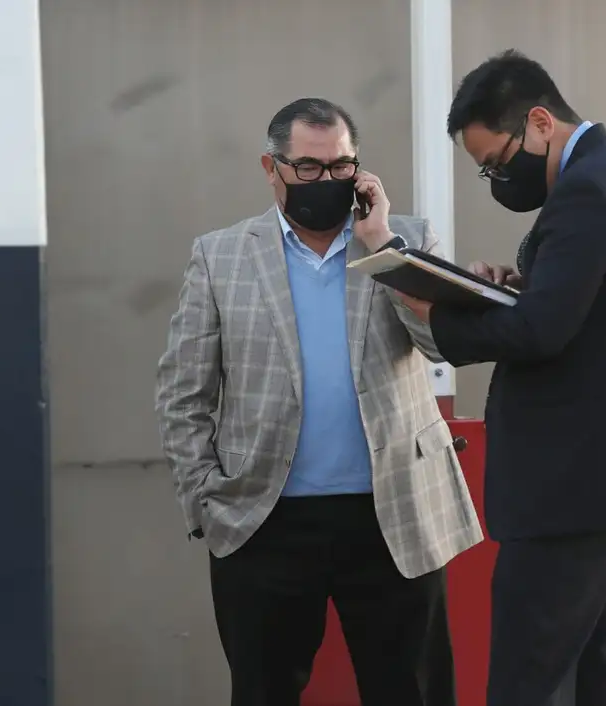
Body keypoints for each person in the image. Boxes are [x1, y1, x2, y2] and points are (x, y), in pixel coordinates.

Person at [155, 97, 481, 706]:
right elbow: (183, 390)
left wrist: (381, 242)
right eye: (308, 168)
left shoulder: (405, 240)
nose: (325, 181)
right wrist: (203, 497)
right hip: (263, 519)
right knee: (265, 691)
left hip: (393, 516)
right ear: (271, 167)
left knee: (411, 689)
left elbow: (442, 346)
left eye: (340, 167)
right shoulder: (220, 255)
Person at [399, 50, 606, 706]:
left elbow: (540, 334)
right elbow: (582, 308)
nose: (497, 179)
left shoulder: (586, 190)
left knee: (525, 685)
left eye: (497, 163)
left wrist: (436, 316)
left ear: (538, 122)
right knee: (595, 682)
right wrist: (517, 287)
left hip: (571, 489)